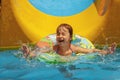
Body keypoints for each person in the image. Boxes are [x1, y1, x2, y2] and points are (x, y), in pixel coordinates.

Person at [21, 23, 117, 57]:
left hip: (72, 59)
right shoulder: (55, 48)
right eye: (58, 34)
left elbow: (91, 51)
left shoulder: (73, 48)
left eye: (63, 34)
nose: (60, 36)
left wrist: (106, 51)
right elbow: (40, 52)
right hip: (58, 62)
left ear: (70, 38)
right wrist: (29, 53)